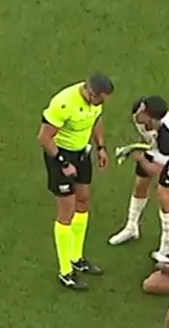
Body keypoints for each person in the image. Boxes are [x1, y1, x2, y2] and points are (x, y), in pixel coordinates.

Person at [37, 73, 114, 290]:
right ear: (91, 92)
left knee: (83, 200)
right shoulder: (64, 103)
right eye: (100, 100)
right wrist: (62, 163)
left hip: (81, 153)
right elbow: (44, 137)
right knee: (67, 210)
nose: (100, 104)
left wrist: (100, 147)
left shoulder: (95, 103)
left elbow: (96, 120)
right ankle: (65, 271)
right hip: (60, 155)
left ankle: (76, 257)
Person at [108, 95, 169, 262]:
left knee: (163, 194)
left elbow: (157, 169)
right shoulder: (140, 112)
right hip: (155, 146)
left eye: (143, 112)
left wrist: (140, 158)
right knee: (140, 184)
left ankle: (167, 244)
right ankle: (131, 227)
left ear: (153, 119)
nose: (138, 114)